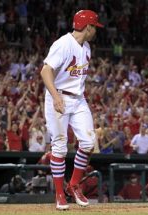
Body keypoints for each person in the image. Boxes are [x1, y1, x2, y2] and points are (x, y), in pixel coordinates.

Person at [40, 10, 103, 210]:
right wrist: (56, 97)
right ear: (88, 27)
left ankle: (74, 184)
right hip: (58, 96)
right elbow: (45, 71)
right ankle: (60, 194)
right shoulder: (63, 44)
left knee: (88, 142)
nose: (96, 31)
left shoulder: (87, 47)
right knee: (59, 146)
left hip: (78, 99)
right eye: (95, 27)